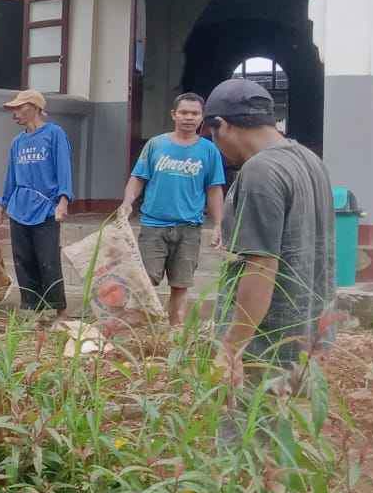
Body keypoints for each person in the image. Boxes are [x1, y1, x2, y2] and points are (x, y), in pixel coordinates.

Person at [203, 79, 335, 391]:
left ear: (221, 125)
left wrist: (232, 348)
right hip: (304, 339)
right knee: (282, 435)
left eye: (212, 135)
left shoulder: (260, 170)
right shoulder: (310, 160)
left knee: (248, 434)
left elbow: (261, 266)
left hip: (264, 347)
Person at [119, 92, 226, 326]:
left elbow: (214, 190)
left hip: (189, 229)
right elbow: (138, 177)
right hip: (153, 226)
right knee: (145, 282)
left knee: (181, 285)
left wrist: (218, 224)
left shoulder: (209, 151)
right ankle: (139, 334)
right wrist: (127, 202)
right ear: (173, 115)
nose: (189, 117)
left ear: (202, 117)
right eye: (184, 112)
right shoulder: (156, 145)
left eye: (195, 113)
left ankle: (174, 334)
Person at [0, 90, 73, 318]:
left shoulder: (54, 134)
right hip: (19, 207)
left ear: (35, 107)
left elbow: (64, 168)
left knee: (48, 259)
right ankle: (33, 310)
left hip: (46, 208)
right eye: (13, 110)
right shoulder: (18, 142)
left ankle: (60, 311)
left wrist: (63, 201)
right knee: (23, 260)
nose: (14, 114)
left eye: (19, 108)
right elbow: (11, 177)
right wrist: (1, 206)